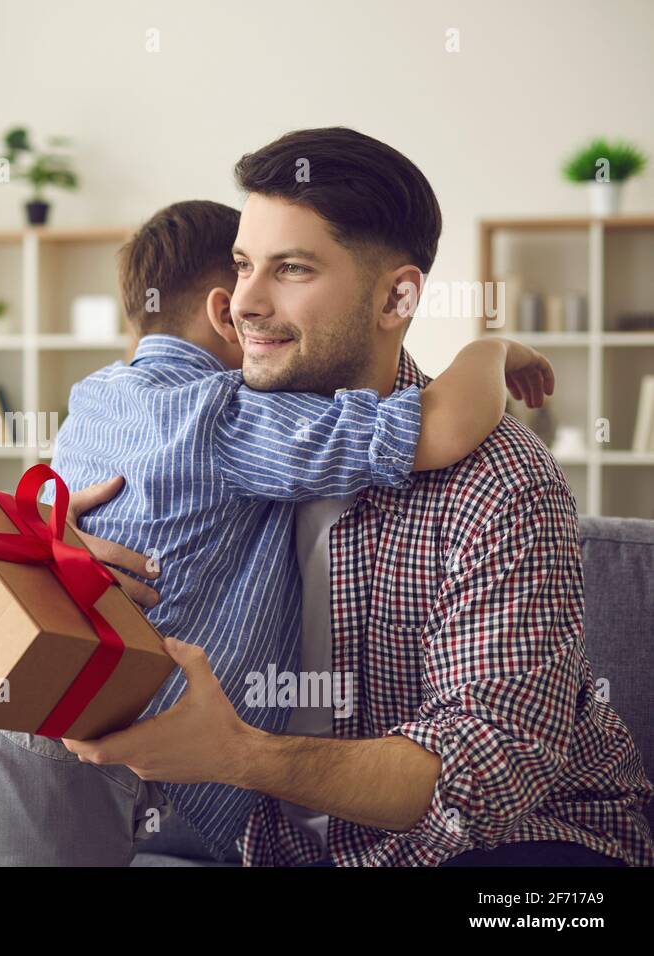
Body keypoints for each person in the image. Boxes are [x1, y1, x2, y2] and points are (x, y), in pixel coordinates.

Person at [0, 196, 554, 866]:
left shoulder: (93, 395)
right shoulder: (223, 413)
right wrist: (492, 347)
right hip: (45, 742)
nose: (260, 303)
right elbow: (440, 426)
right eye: (248, 271)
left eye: (288, 270)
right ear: (227, 313)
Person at [61, 128, 654, 867]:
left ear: (397, 296)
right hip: (282, 847)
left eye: (292, 270)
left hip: (519, 844)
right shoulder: (211, 436)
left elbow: (484, 776)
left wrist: (241, 754)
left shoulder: (500, 481)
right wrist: (62, 557)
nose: (244, 303)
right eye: (244, 266)